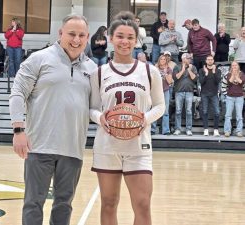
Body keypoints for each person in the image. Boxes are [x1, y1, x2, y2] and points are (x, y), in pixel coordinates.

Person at [9, 14, 97, 225]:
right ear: (60, 33)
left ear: (87, 37)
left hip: (73, 148)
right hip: (39, 145)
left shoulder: (93, 69)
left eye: (81, 35)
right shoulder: (39, 59)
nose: (76, 40)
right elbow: (17, 93)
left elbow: (96, 109)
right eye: (72, 34)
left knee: (64, 204)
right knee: (33, 203)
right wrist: (18, 130)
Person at [89, 11, 165, 225]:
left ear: (136, 41)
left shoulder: (150, 71)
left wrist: (144, 119)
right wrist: (100, 117)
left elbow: (160, 106)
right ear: (111, 38)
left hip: (138, 146)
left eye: (130, 37)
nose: (125, 41)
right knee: (109, 202)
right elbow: (92, 108)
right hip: (107, 146)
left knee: (142, 204)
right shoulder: (100, 72)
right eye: (120, 36)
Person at [172, 53, 198, 136]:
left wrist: (189, 70)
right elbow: (175, 78)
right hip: (179, 92)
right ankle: (177, 129)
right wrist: (183, 70)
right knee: (178, 111)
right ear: (183, 59)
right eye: (188, 58)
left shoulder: (193, 67)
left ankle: (188, 129)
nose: (189, 60)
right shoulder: (177, 67)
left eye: (190, 58)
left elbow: (195, 79)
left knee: (189, 111)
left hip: (189, 92)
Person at [198, 55, 221, 136]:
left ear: (213, 60)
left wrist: (214, 72)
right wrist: (206, 73)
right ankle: (206, 129)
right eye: (208, 59)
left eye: (211, 59)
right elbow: (201, 81)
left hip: (214, 94)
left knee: (217, 112)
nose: (210, 61)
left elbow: (217, 81)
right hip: (204, 94)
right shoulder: (201, 70)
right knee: (205, 112)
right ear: (206, 61)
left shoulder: (217, 70)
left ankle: (216, 130)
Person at [151, 54, 173, 135]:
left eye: (164, 59)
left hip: (165, 91)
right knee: (154, 109)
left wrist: (165, 73)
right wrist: (156, 71)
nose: (163, 61)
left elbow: (170, 81)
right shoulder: (154, 69)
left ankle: (166, 130)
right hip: (156, 91)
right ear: (159, 60)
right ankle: (152, 129)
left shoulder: (169, 69)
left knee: (165, 111)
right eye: (161, 59)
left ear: (166, 61)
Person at [223, 61, 245, 137]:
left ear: (238, 66)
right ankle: (227, 131)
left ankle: (239, 131)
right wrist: (233, 75)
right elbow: (229, 82)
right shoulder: (228, 74)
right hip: (230, 97)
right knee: (228, 115)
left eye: (235, 65)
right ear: (231, 67)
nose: (234, 67)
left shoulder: (242, 74)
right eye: (232, 65)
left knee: (239, 116)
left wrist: (236, 75)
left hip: (239, 97)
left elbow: (241, 82)